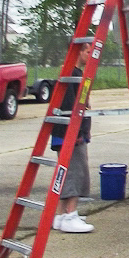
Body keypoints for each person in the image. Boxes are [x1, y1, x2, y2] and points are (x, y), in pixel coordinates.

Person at [52, 43, 94, 233]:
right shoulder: (72, 77)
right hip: (71, 134)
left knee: (66, 173)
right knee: (75, 173)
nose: (90, 55)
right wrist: (77, 133)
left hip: (70, 133)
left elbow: (82, 104)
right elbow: (70, 106)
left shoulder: (74, 74)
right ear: (79, 52)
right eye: (88, 51)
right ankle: (70, 214)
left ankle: (60, 215)